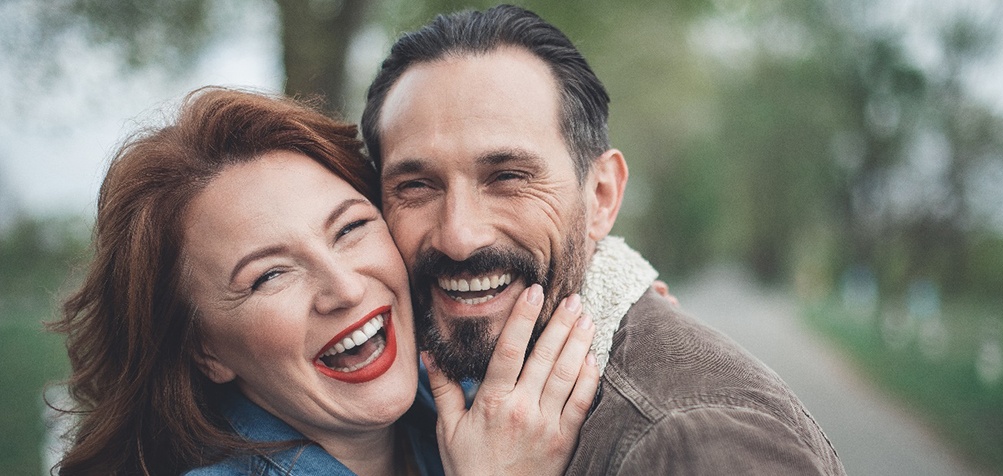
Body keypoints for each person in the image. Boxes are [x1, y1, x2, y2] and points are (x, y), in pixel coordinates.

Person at [360, 5, 847, 475]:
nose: (459, 237)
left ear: (601, 196)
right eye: (416, 186)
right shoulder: (421, 396)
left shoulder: (694, 443)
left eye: (507, 177)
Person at [50, 87, 600, 475]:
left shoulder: (468, 397)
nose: (346, 288)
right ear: (205, 349)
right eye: (269, 275)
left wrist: (619, 294)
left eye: (352, 228)